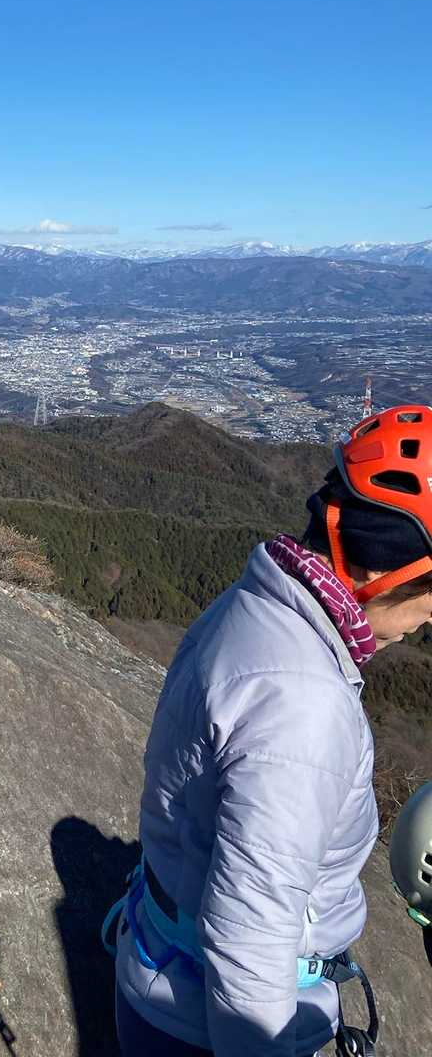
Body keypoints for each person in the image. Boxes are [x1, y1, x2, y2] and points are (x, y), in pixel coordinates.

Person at [111, 404, 432, 1056]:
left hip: (162, 967)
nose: (430, 619)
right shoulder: (303, 704)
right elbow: (250, 940)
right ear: (382, 571)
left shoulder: (258, 602)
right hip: (208, 1024)